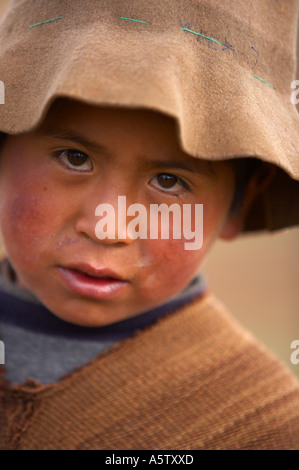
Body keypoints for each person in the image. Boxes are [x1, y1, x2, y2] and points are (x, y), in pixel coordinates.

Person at [0, 0, 298, 450]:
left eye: (168, 181)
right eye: (75, 158)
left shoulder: (262, 427)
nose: (107, 227)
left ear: (243, 200)